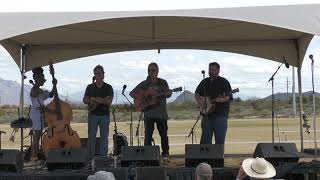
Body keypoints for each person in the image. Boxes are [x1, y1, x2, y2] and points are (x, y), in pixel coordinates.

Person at [130, 62, 172, 158]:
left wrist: (168, 93)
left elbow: (168, 94)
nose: (151, 72)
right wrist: (143, 95)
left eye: (153, 70)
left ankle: (166, 154)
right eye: (149, 70)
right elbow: (132, 93)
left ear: (157, 71)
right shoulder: (144, 84)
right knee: (148, 136)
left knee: (164, 135)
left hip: (161, 114)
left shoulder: (163, 83)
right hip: (149, 114)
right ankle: (147, 156)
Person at [195, 62, 232, 145]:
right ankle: (205, 158)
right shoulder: (205, 81)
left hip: (220, 116)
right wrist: (199, 101)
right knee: (205, 141)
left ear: (218, 71)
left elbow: (228, 96)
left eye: (213, 70)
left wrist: (220, 100)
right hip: (206, 116)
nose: (211, 71)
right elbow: (197, 93)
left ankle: (218, 158)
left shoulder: (224, 82)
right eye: (210, 69)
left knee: (219, 140)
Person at [83, 65, 114, 157]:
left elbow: (109, 101)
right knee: (91, 138)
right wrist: (96, 100)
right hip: (93, 116)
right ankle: (90, 159)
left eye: (100, 73)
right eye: (96, 73)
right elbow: (84, 100)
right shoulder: (89, 87)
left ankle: (103, 159)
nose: (98, 75)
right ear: (94, 75)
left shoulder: (108, 87)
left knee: (104, 138)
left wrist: (95, 100)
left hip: (104, 116)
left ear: (103, 75)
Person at [29, 66, 55, 164]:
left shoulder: (39, 90)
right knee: (37, 137)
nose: (44, 81)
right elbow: (41, 108)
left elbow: (51, 94)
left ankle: (40, 156)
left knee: (39, 136)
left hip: (40, 115)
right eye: (42, 79)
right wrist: (54, 112)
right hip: (36, 115)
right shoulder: (35, 90)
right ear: (38, 79)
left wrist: (54, 85)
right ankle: (34, 158)